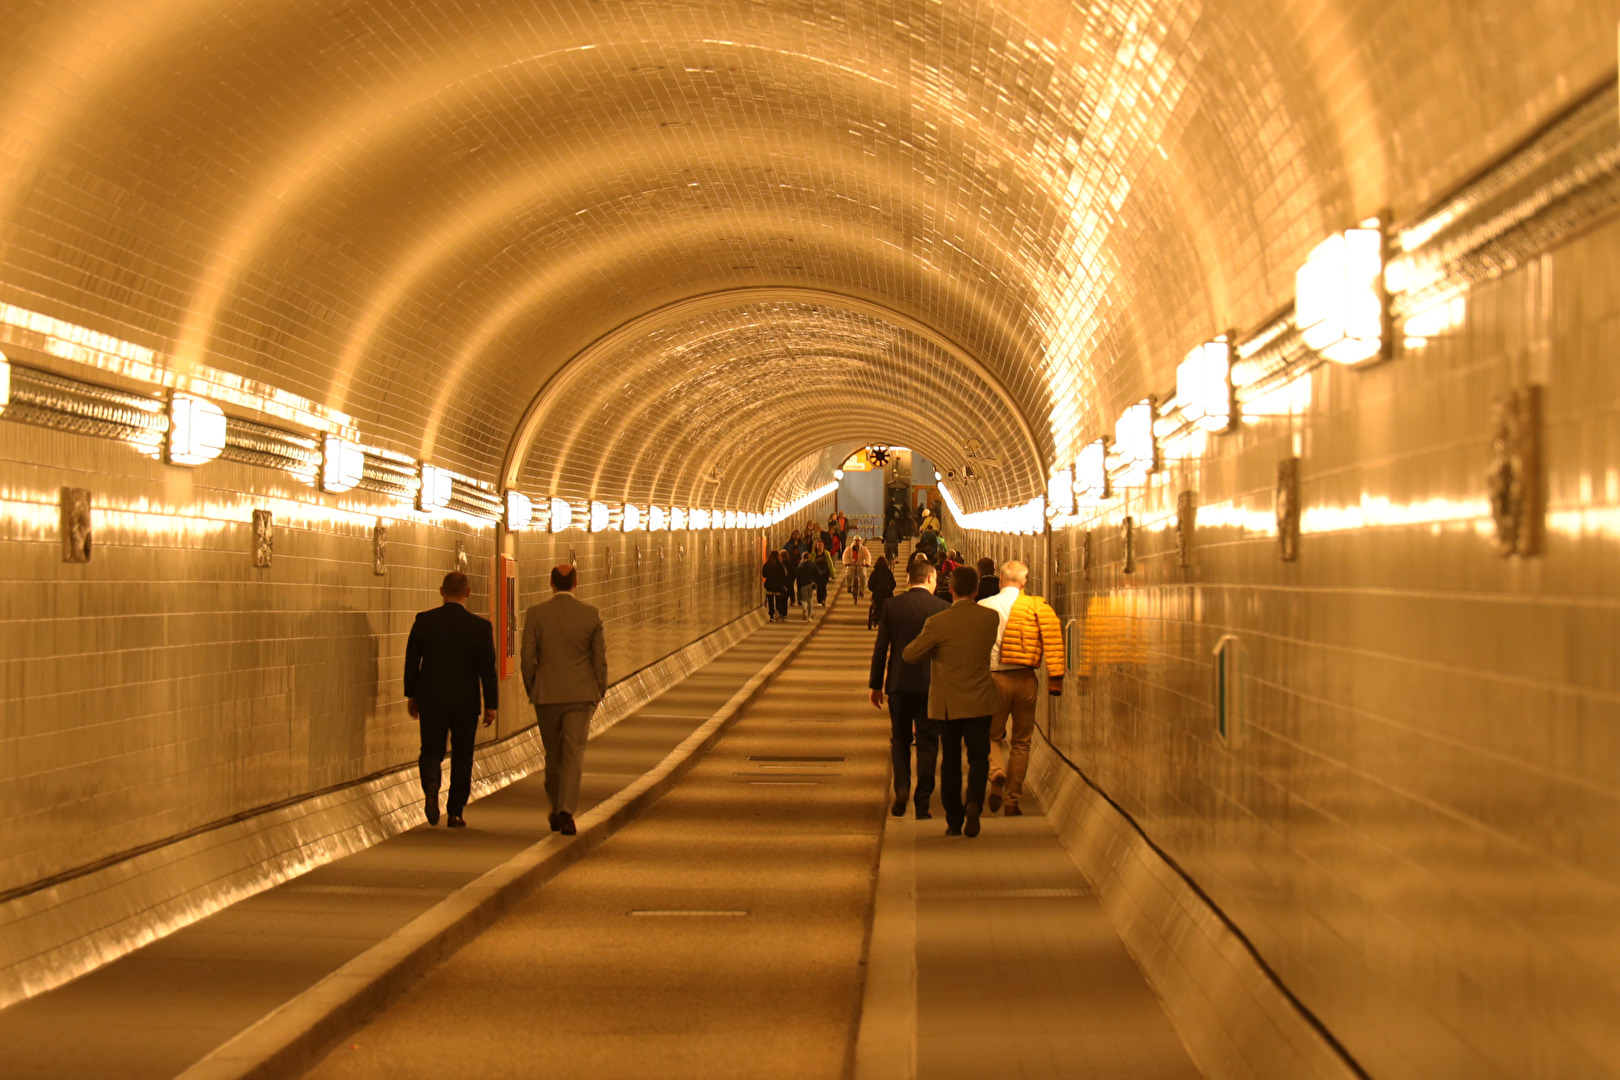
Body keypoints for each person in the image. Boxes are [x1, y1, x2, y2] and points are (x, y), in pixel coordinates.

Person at [902, 565, 1000, 837]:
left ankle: (954, 820)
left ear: (952, 589)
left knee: (951, 760)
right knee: (979, 757)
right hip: (980, 700)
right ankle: (974, 803)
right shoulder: (989, 618)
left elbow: (910, 655)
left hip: (947, 704)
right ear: (976, 590)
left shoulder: (939, 622)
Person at [404, 571, 498, 829]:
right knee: (463, 755)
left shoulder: (424, 621)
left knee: (431, 749)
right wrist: (491, 704)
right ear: (468, 593)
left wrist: (412, 694)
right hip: (465, 702)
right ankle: (455, 811)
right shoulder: (480, 628)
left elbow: (412, 661)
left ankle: (432, 784)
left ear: (441, 591)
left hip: (431, 698)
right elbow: (487, 669)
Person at [520, 563, 608, 837]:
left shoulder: (536, 615)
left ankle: (557, 805)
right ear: (576, 583)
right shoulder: (590, 615)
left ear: (551, 583)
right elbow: (599, 659)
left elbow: (526, 659)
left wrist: (533, 687)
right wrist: (600, 690)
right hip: (581, 696)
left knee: (552, 753)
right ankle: (566, 812)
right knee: (573, 753)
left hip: (547, 695)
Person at [978, 560, 1066, 817]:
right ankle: (1012, 801)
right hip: (1026, 680)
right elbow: (1053, 640)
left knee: (992, 736)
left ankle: (996, 773)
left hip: (994, 679)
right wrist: (1056, 679)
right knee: (1022, 743)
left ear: (1001, 580)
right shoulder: (1038, 606)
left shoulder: (984, 606)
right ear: (1024, 581)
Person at [869, 557, 950, 818]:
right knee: (928, 742)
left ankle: (902, 788)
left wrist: (876, 685)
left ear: (908, 579)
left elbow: (881, 648)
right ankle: (923, 801)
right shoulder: (942, 607)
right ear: (929, 578)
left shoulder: (892, 606)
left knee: (900, 740)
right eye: (935, 578)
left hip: (899, 684)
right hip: (931, 686)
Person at [866, 554, 896, 630]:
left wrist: (874, 589)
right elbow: (894, 584)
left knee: (875, 603)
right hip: (888, 594)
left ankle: (876, 615)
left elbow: (870, 585)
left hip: (877, 595)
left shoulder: (874, 573)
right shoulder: (889, 572)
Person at [763, 549, 791, 622]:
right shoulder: (781, 565)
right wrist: (785, 585)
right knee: (778, 599)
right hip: (778, 585)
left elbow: (764, 574)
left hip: (769, 585)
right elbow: (784, 576)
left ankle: (771, 615)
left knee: (770, 600)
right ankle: (778, 611)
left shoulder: (767, 564)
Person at [793, 549, 821, 619]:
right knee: (810, 599)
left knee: (804, 599)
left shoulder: (800, 566)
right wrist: (815, 581)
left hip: (803, 585)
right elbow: (819, 574)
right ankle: (809, 616)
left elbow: (798, 577)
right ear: (809, 557)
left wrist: (798, 587)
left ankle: (804, 609)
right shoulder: (812, 565)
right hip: (811, 584)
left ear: (802, 557)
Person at [842, 534, 871, 599]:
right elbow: (845, 556)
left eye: (858, 541)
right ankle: (849, 585)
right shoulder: (848, 549)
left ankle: (861, 590)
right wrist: (846, 563)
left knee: (863, 577)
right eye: (856, 541)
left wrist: (866, 563)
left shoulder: (864, 549)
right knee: (848, 575)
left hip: (860, 566)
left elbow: (868, 557)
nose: (857, 543)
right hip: (851, 565)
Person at [809, 539, 836, 606]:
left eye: (821, 545)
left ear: (823, 546)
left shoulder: (826, 554)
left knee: (823, 586)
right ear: (816, 546)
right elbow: (811, 564)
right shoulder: (814, 554)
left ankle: (823, 599)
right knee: (818, 587)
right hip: (816, 574)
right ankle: (819, 601)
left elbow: (830, 564)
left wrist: (832, 574)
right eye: (818, 545)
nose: (820, 546)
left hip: (825, 573)